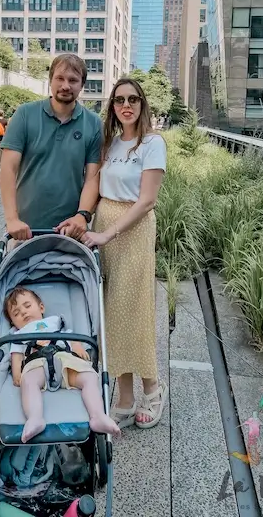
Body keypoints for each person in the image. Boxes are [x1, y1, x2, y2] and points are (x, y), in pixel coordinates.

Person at [82, 78, 168, 430]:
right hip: (105, 223)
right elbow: (96, 187)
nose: (126, 105)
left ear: (142, 104)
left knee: (134, 307)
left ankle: (153, 389)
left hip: (131, 229)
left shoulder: (152, 143)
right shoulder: (110, 143)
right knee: (112, 310)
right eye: (119, 100)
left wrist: (108, 233)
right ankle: (126, 396)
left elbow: (147, 200)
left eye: (133, 99)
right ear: (113, 106)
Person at [0, 54, 101, 240]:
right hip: (25, 228)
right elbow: (8, 169)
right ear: (50, 80)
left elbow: (92, 178)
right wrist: (12, 218)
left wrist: (82, 215)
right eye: (60, 78)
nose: (65, 86)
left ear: (82, 85)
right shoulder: (25, 114)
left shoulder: (94, 123)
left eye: (73, 80)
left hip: (70, 229)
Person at [4, 286, 120, 443]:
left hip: (64, 358)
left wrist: (77, 346)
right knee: (28, 382)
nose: (23, 312)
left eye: (27, 305)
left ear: (41, 307)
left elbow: (70, 336)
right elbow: (16, 355)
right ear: (13, 322)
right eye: (16, 313)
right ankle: (35, 418)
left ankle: (98, 416)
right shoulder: (18, 335)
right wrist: (17, 374)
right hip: (37, 364)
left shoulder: (55, 321)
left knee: (89, 378)